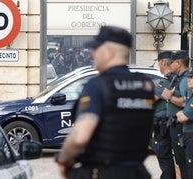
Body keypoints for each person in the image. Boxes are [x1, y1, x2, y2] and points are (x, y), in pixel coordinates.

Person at [55, 25, 155, 179]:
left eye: (96, 49)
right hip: (138, 173)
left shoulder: (98, 85)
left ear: (109, 51)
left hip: (102, 172)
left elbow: (80, 137)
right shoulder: (145, 85)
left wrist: (63, 160)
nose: (92, 53)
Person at [161, 50, 192, 179]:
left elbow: (187, 102)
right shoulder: (179, 78)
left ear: (178, 63)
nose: (170, 64)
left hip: (181, 127)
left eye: (172, 62)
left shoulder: (185, 80)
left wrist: (169, 98)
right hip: (176, 125)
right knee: (181, 162)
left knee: (183, 162)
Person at [151, 51, 176, 179]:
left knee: (165, 160)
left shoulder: (165, 82)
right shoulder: (177, 79)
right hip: (170, 126)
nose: (158, 66)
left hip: (162, 128)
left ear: (163, 62)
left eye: (158, 63)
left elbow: (150, 100)